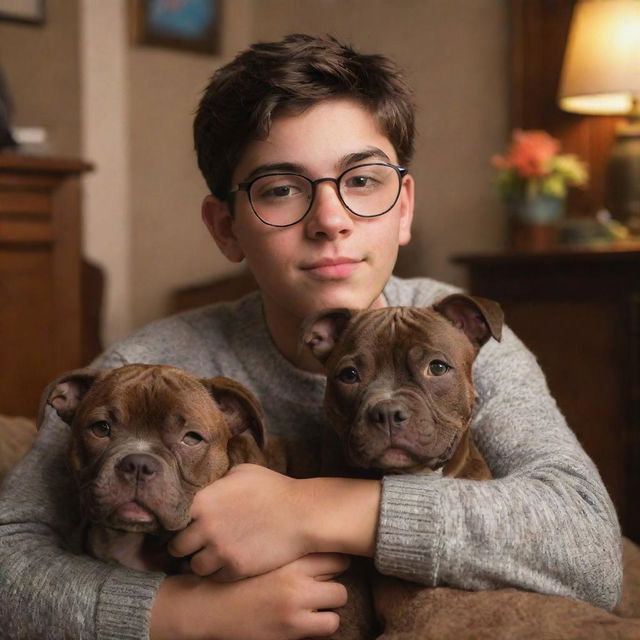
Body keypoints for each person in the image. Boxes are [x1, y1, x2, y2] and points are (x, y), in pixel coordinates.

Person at [0, 33, 622, 640]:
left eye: (362, 181)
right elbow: (11, 561)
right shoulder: (150, 367)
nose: (331, 220)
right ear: (225, 227)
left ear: (403, 208)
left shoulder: (456, 336)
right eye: (280, 189)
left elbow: (589, 545)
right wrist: (185, 615)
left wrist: (311, 512)